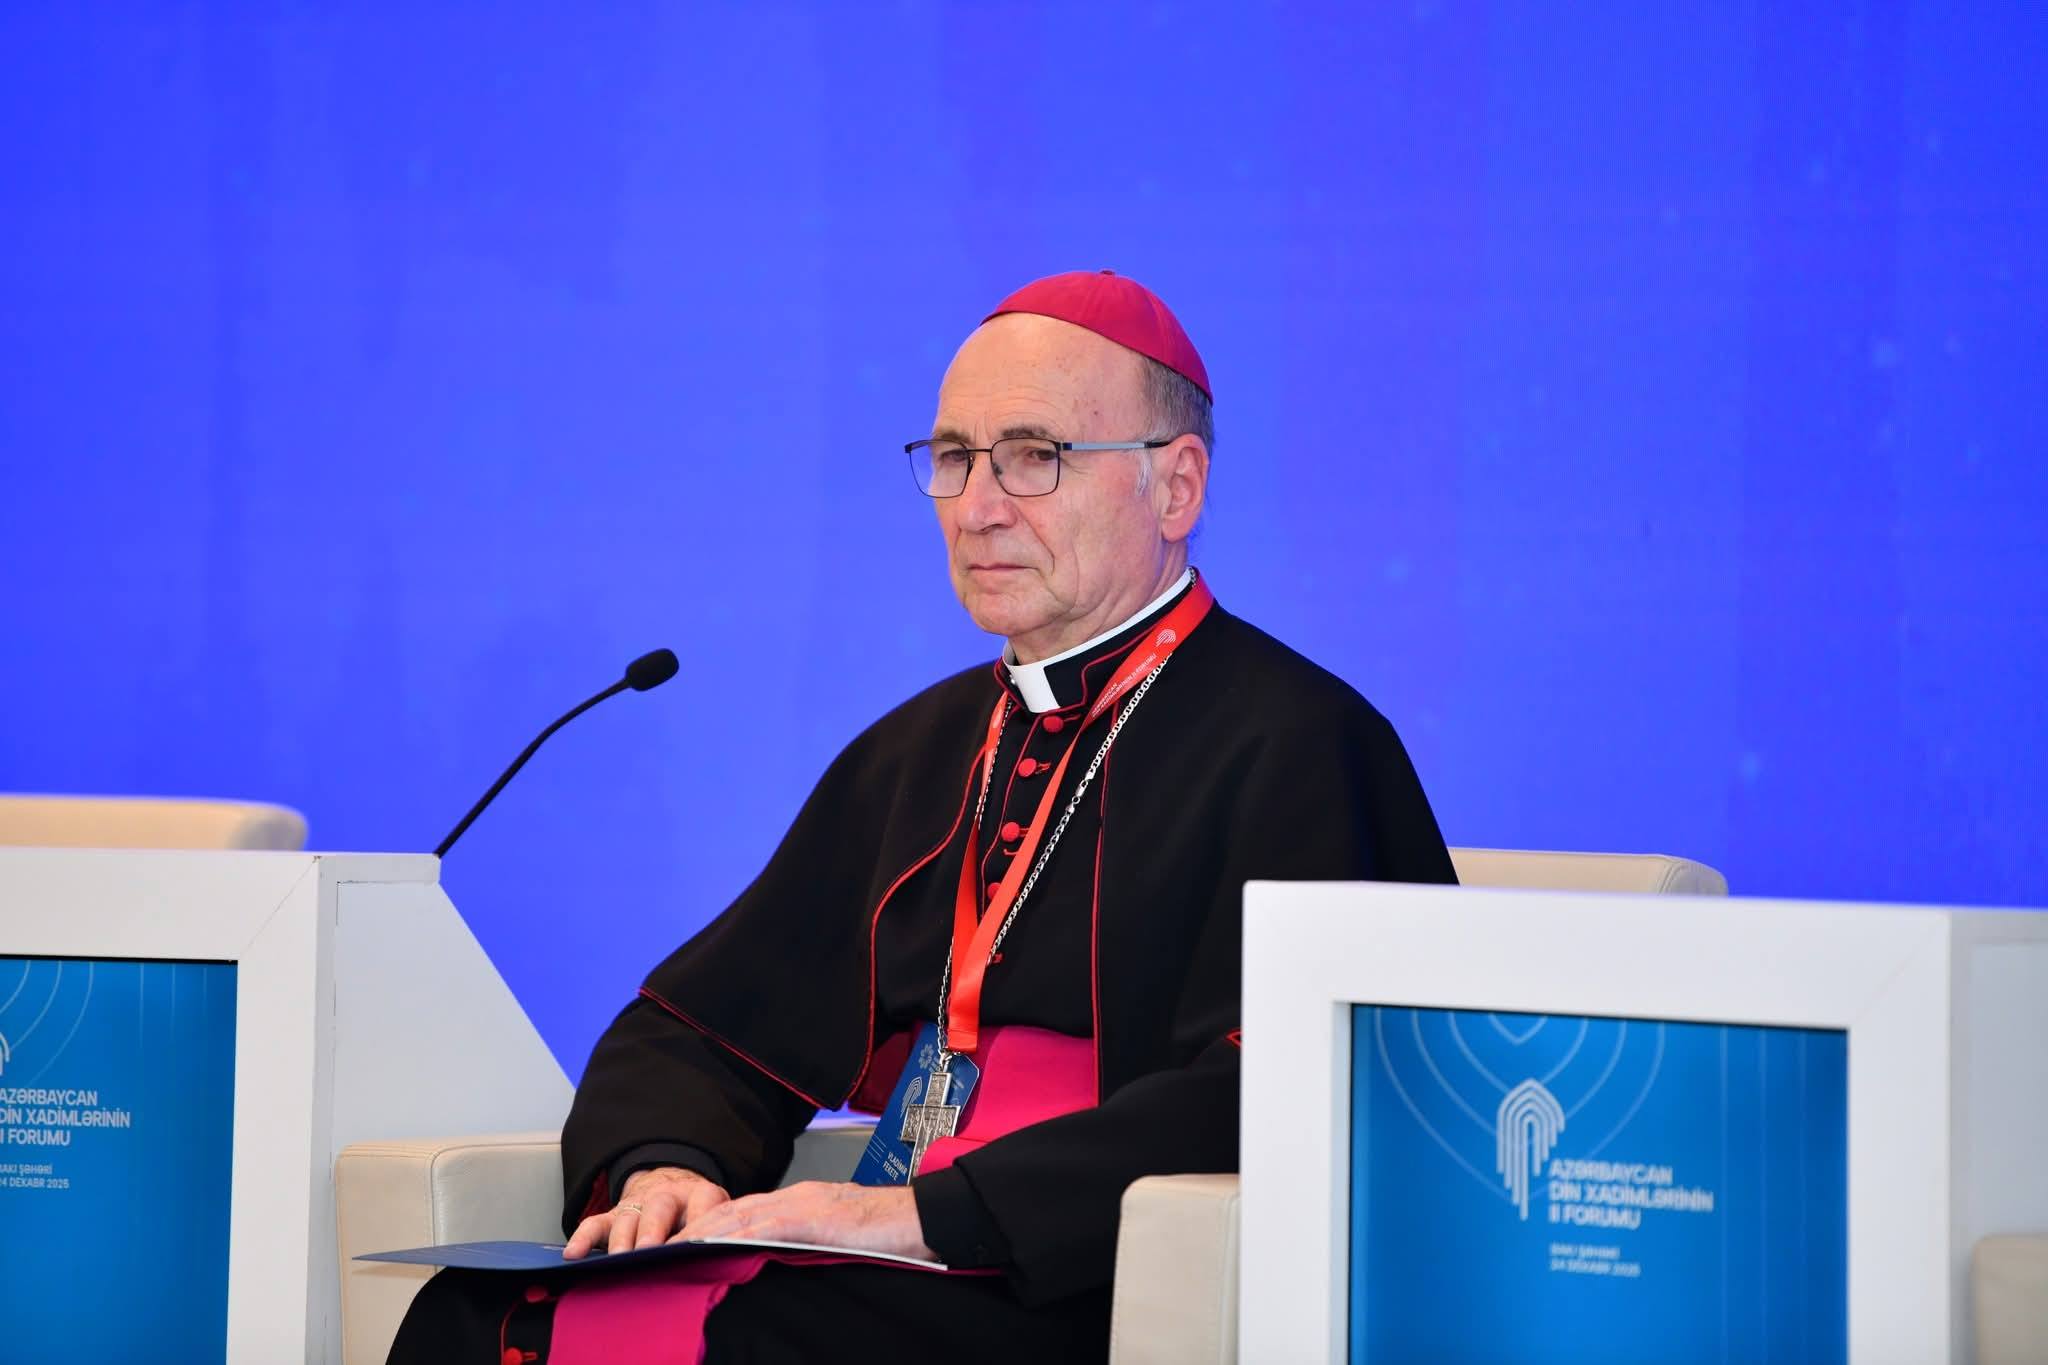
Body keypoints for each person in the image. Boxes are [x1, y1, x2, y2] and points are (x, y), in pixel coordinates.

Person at [388, 270, 1456, 1363]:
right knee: (471, 1317)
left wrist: (926, 1215)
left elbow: (1300, 1094)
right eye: (953, 458)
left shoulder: (1301, 742)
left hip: (1083, 1279)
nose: (977, 506)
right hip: (893, 1266)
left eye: (1034, 456)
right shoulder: (922, 749)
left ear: (1174, 488)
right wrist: (666, 1164)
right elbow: (704, 1026)